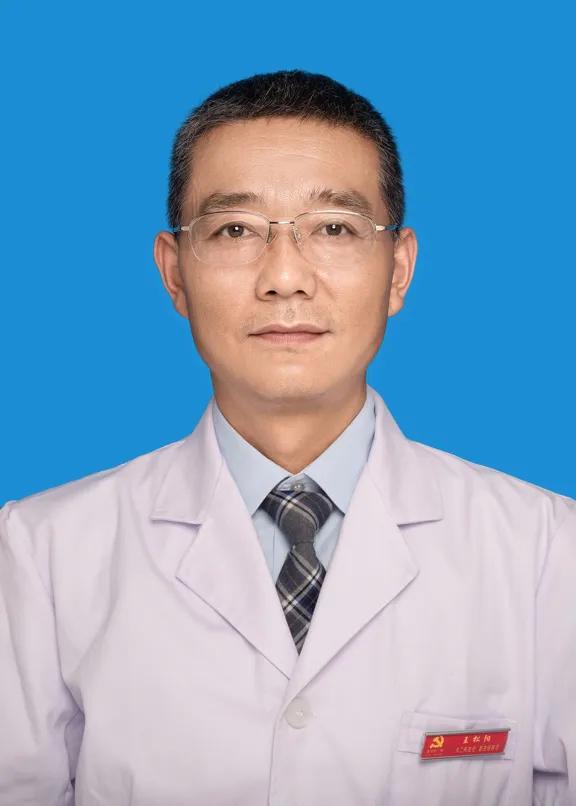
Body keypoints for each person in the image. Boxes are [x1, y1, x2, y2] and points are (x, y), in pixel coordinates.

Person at [0, 69, 574, 806]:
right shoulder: (40, 554)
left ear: (398, 270)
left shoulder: (546, 551)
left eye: (333, 228)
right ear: (174, 274)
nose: (284, 277)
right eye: (234, 230)